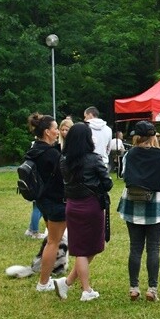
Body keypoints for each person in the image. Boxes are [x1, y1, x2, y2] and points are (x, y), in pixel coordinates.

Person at [118, 120, 160, 302]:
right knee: (154, 248)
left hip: (132, 203)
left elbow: (124, 174)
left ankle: (134, 287)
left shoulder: (130, 154)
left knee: (135, 247)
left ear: (136, 136)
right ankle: (152, 289)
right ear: (153, 136)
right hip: (156, 205)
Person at [60, 122, 113, 301]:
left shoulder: (64, 159)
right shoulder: (94, 159)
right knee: (87, 249)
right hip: (91, 206)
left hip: (72, 206)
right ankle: (86, 290)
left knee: (84, 247)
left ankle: (66, 283)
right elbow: (107, 183)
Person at [27, 113, 69, 296]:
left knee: (52, 240)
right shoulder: (51, 154)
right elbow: (63, 177)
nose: (57, 131)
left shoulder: (35, 149)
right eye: (55, 128)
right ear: (47, 132)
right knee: (53, 242)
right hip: (55, 201)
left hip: (42, 200)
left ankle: (44, 279)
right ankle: (43, 282)